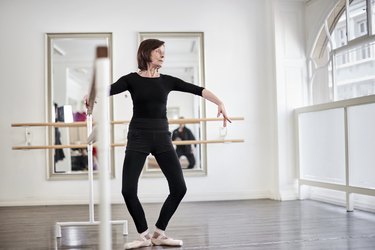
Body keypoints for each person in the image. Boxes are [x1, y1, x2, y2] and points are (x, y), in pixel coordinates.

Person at [109, 39, 231, 249]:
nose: (163, 55)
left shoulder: (168, 81)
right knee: (128, 190)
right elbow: (108, 90)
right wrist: (90, 95)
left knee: (179, 188)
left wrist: (220, 102)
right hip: (138, 136)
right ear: (146, 53)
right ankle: (144, 236)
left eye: (164, 52)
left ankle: (159, 233)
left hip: (163, 138)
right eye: (158, 51)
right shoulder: (130, 80)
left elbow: (198, 90)